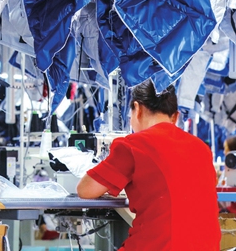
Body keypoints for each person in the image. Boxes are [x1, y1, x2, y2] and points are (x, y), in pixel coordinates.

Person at [76, 82, 221, 250]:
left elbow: (85, 190)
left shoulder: (133, 145)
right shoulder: (201, 148)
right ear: (176, 116)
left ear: (137, 108)